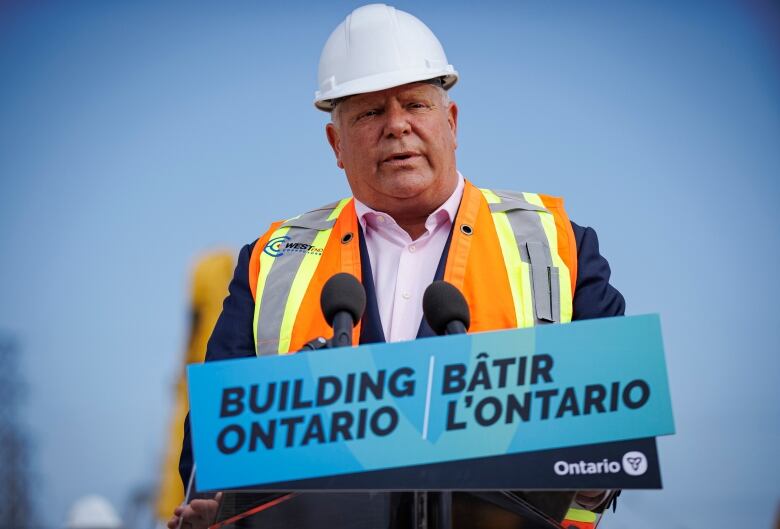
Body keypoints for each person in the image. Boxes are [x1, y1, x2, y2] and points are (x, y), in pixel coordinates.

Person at [168, 4, 624, 528]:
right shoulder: (268, 263)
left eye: (414, 104)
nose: (397, 127)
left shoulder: (559, 245)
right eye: (368, 112)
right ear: (336, 143)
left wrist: (591, 466)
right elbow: (213, 445)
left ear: (451, 123)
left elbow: (608, 448)